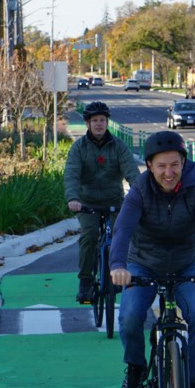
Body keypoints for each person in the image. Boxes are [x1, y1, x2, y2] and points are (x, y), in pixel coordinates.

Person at [110, 130, 195, 388]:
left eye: (174, 165)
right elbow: (124, 229)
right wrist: (118, 266)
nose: (168, 172)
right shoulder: (139, 191)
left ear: (183, 163)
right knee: (129, 317)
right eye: (161, 166)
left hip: (184, 265)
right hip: (143, 264)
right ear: (150, 166)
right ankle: (136, 368)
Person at [64, 101, 141, 302]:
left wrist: (141, 192)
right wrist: (73, 198)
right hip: (86, 203)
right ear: (87, 124)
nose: (99, 124)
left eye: (102, 120)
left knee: (120, 234)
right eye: (94, 121)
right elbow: (71, 174)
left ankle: (116, 272)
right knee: (89, 235)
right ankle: (86, 281)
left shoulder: (118, 146)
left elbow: (131, 171)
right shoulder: (79, 147)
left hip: (114, 201)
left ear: (107, 122)